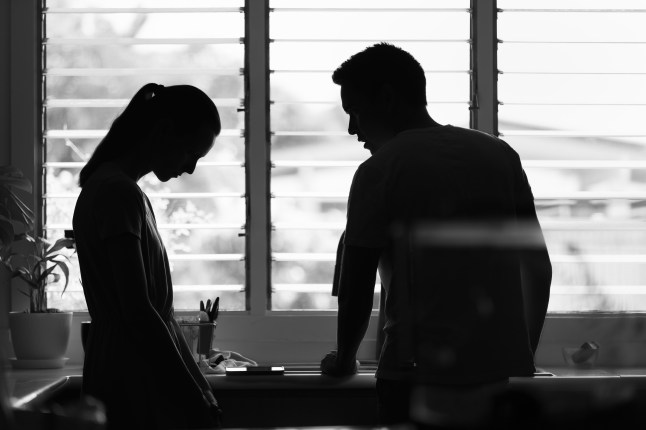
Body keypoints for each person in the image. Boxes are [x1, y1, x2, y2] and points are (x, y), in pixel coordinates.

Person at [320, 43, 552, 426]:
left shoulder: (379, 170)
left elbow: (356, 284)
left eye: (355, 111)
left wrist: (344, 360)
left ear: (387, 99)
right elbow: (537, 267)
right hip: (494, 377)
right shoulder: (500, 155)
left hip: (414, 377)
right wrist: (520, 351)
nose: (352, 128)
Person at [73, 83, 222, 429]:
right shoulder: (118, 193)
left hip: (133, 365)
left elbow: (159, 316)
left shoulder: (124, 192)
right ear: (165, 131)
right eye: (191, 153)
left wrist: (201, 388)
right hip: (131, 371)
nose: (191, 168)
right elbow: (139, 312)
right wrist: (193, 394)